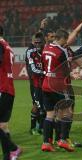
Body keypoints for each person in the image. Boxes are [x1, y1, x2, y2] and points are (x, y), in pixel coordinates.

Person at [41, 29, 75, 152]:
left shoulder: (46, 48)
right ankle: (63, 140)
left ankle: (46, 143)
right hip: (58, 85)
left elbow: (44, 65)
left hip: (46, 84)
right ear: (62, 38)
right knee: (67, 112)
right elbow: (66, 70)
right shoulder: (62, 51)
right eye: (65, 40)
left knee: (49, 115)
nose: (65, 43)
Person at [0, 25, 22, 160]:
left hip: (2, 88)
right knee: (3, 125)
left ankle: (14, 148)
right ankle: (8, 156)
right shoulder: (8, 46)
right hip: (9, 89)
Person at [25, 32, 46, 135]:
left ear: (43, 43)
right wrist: (44, 72)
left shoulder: (46, 53)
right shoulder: (30, 53)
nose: (37, 44)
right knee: (37, 106)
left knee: (45, 107)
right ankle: (33, 128)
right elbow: (33, 69)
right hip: (36, 85)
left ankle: (41, 127)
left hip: (46, 85)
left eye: (39, 43)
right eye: (35, 43)